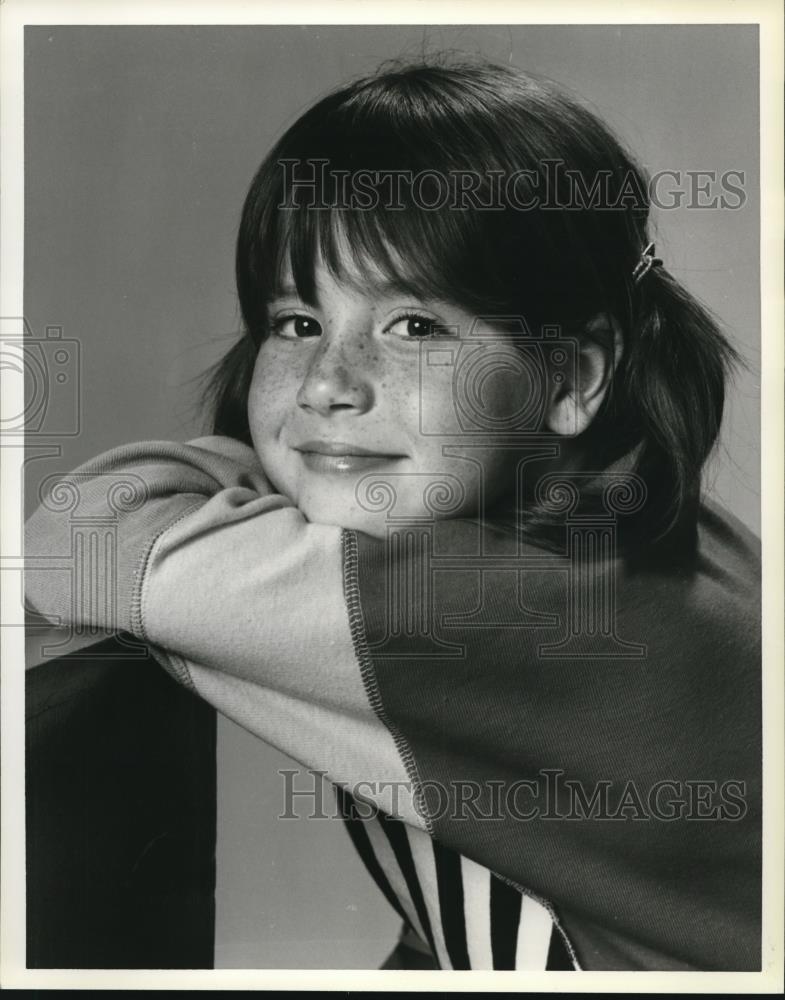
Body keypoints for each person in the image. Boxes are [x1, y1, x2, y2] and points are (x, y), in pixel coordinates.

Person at [24, 58, 761, 972]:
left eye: (414, 326)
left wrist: (245, 472)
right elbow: (460, 928)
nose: (330, 384)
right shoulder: (619, 531)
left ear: (569, 378)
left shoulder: (496, 611)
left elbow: (80, 542)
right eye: (296, 323)